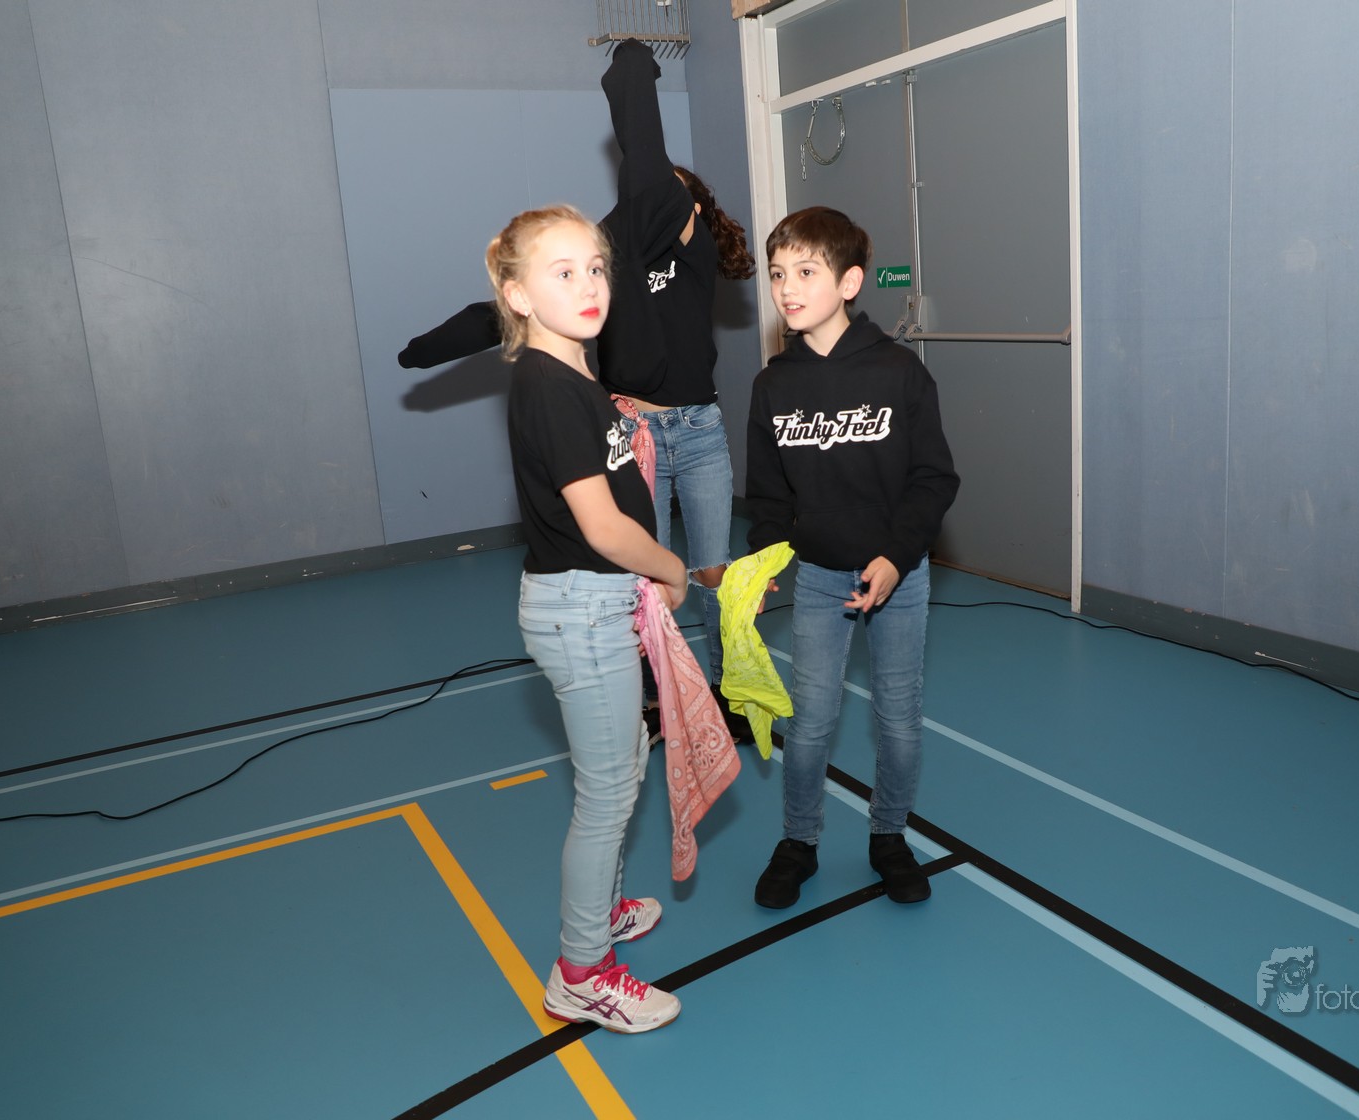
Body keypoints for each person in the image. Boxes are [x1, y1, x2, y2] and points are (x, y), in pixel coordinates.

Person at [398, 39, 755, 741]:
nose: (659, 203)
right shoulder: (605, 272)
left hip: (699, 433)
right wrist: (422, 351)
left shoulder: (694, 251)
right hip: (634, 433)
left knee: (714, 574)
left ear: (690, 207)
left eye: (672, 196)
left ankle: (732, 692)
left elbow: (648, 173)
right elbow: (498, 314)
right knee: (642, 579)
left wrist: (633, 69)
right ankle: (654, 700)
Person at [489, 203, 684, 1033]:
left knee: (626, 760)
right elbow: (602, 528)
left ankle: (599, 912)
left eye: (596, 267)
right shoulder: (547, 386)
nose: (589, 284)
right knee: (606, 796)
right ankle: (582, 972)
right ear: (518, 295)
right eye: (562, 272)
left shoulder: (574, 378)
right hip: (583, 612)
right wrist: (672, 568)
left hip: (598, 604)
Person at [742, 207, 960, 908]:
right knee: (809, 721)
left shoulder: (900, 373)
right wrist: (763, 564)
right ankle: (798, 841)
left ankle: (888, 835)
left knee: (898, 717)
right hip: (817, 578)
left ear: (849, 282)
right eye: (778, 274)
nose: (786, 288)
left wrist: (897, 557)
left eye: (805, 272)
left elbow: (934, 479)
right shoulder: (773, 384)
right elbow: (767, 497)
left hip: (899, 575)